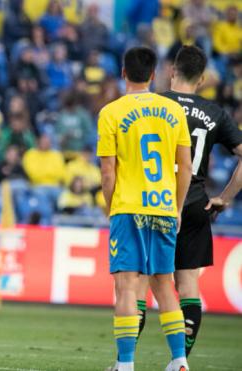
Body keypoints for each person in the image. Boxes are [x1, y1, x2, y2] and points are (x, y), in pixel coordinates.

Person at [136, 45, 242, 357]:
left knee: (138, 285)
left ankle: (124, 360)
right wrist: (224, 198)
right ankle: (179, 361)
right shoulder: (214, 113)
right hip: (195, 203)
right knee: (188, 289)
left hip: (152, 201)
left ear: (171, 70)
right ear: (202, 79)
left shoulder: (152, 104)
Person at [97, 46, 192, 371]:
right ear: (154, 75)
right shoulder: (173, 111)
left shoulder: (111, 112)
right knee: (165, 285)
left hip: (128, 207)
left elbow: (107, 172)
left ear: (123, 73)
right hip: (164, 207)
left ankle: (125, 365)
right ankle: (179, 360)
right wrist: (177, 208)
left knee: (126, 285)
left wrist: (112, 208)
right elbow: (186, 167)